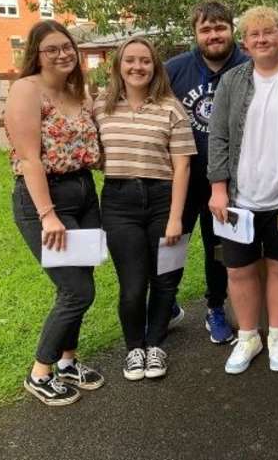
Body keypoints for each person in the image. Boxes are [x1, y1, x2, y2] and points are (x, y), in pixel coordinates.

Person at [165, 1, 278, 343]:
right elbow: (215, 132)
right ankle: (165, 310)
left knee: (258, 262)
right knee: (185, 249)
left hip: (272, 190)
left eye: (220, 28)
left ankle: (233, 316)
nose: (213, 34)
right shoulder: (181, 70)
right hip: (202, 183)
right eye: (205, 29)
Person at [4, 19, 104, 406]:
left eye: (67, 47)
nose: (63, 54)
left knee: (82, 277)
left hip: (84, 192)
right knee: (76, 290)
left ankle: (67, 362)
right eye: (52, 49)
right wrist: (47, 214)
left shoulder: (78, 91)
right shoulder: (26, 91)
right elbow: (29, 159)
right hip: (46, 199)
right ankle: (39, 372)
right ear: (37, 54)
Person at [207, 6, 278, 375]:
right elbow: (218, 136)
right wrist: (218, 189)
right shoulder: (233, 82)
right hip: (238, 199)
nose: (262, 39)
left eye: (269, 32)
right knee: (238, 271)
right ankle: (249, 336)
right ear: (245, 43)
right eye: (254, 34)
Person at [94, 37, 197, 381]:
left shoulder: (171, 108)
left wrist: (175, 218)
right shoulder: (101, 108)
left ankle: (156, 345)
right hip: (118, 201)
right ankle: (134, 348)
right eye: (130, 61)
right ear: (118, 66)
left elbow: (182, 167)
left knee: (165, 280)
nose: (137, 67)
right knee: (133, 285)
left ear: (155, 67)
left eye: (145, 61)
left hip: (163, 200)